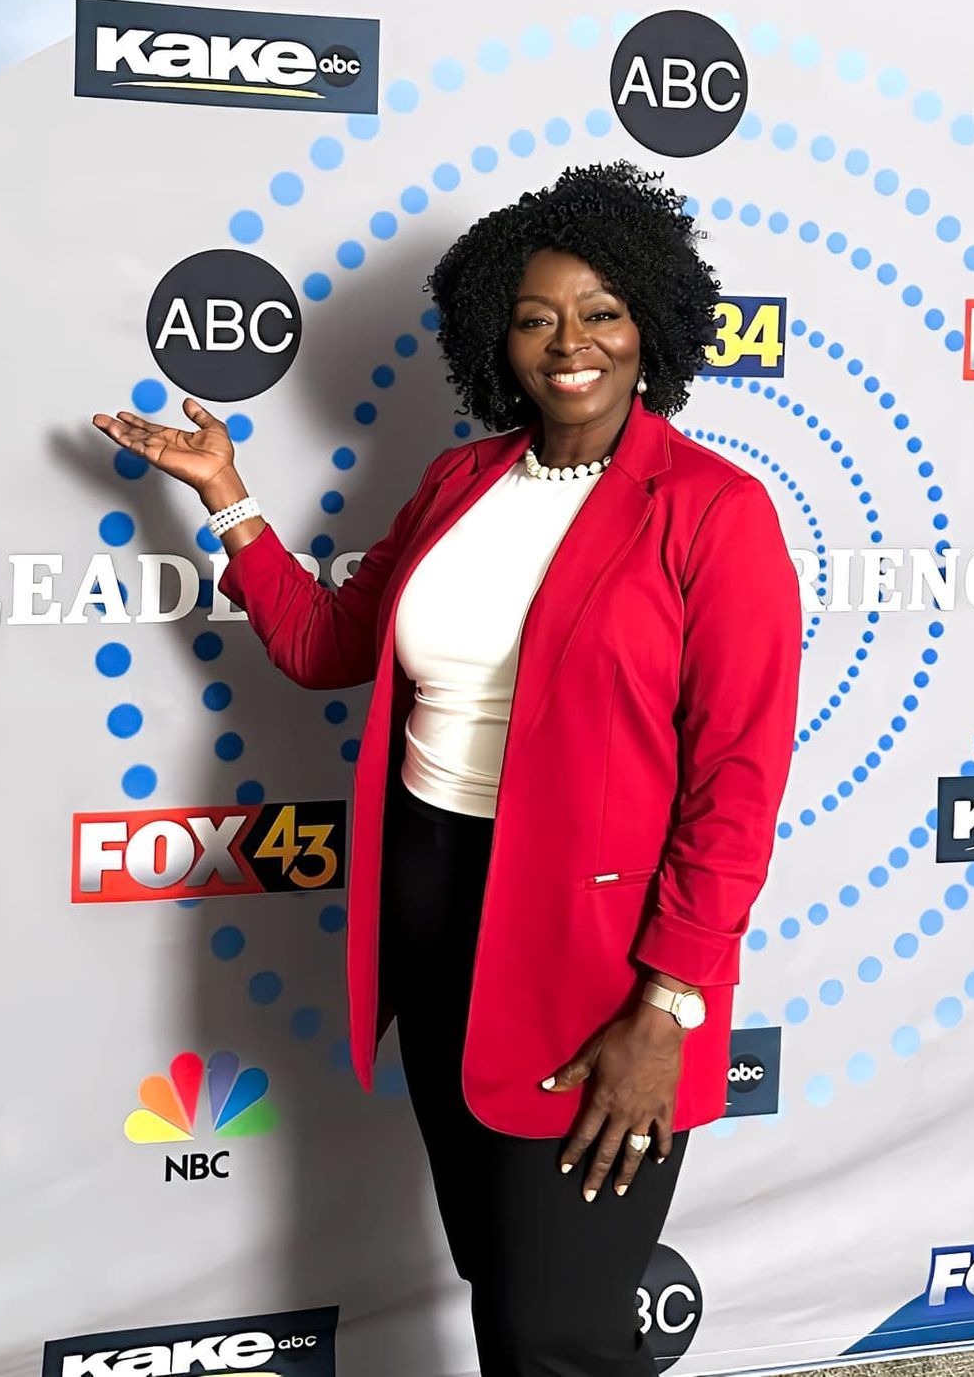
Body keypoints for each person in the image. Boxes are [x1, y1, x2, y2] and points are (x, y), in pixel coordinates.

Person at [92, 161, 802, 1377]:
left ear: (655, 324)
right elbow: (328, 648)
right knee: (497, 1269)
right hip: (435, 907)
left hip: (599, 955)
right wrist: (228, 500)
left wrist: (668, 1002)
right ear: (495, 338)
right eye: (535, 318)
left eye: (602, 311)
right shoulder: (458, 484)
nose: (568, 342)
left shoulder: (715, 512)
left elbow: (735, 782)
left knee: (559, 1330)